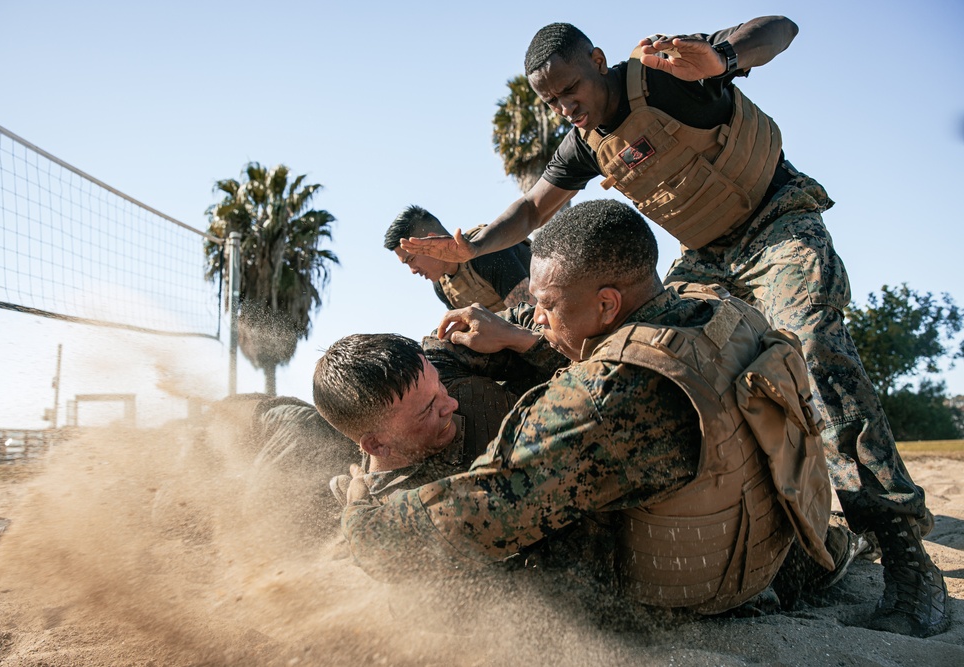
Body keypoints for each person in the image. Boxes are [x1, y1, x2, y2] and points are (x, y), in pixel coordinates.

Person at [399, 18, 948, 637]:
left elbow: (780, 29)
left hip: (775, 224)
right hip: (706, 258)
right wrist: (469, 249)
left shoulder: (665, 77)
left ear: (598, 60)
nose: (564, 107)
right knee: (637, 344)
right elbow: (531, 209)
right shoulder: (584, 143)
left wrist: (721, 59)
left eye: (570, 90)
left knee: (815, 349)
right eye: (550, 101)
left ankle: (905, 556)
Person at [337, 199, 848, 616]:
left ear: (606, 304)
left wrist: (363, 517)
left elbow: (479, 514)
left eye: (548, 305)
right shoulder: (718, 310)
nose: (536, 317)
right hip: (773, 546)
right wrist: (526, 342)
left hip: (699, 589)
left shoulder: (601, 402)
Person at [313, 332, 564, 501]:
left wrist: (517, 336)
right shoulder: (398, 506)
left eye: (440, 387)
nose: (451, 404)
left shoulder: (443, 357)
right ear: (377, 445)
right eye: (427, 409)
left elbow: (569, 333)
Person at [384, 205, 533, 312]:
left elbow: (530, 317)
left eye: (411, 259)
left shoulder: (485, 255)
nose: (412, 271)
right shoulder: (441, 285)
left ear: (431, 241)